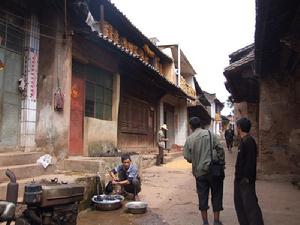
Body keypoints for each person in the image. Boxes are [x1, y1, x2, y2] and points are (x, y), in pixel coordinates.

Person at [184, 117, 225, 225]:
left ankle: (205, 222)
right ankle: (216, 221)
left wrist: (197, 157)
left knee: (202, 196)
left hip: (199, 173)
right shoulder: (210, 134)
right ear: (200, 125)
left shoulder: (189, 139)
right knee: (217, 194)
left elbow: (188, 157)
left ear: (191, 127)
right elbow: (220, 149)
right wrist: (221, 162)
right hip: (214, 171)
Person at [234, 118, 264, 225]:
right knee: (240, 204)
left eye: (237, 127)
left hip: (245, 180)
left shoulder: (249, 141)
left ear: (239, 128)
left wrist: (246, 178)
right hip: (240, 179)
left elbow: (251, 162)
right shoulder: (244, 140)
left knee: (250, 206)